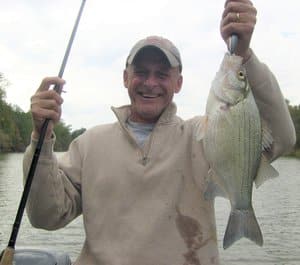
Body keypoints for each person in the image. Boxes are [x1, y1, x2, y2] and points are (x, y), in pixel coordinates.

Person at [23, 0, 296, 265]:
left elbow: (283, 138)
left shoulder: (204, 137)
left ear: (178, 83)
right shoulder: (88, 144)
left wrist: (244, 55)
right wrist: (41, 139)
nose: (150, 83)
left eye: (162, 74)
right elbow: (45, 216)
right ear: (125, 78)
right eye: (141, 72)